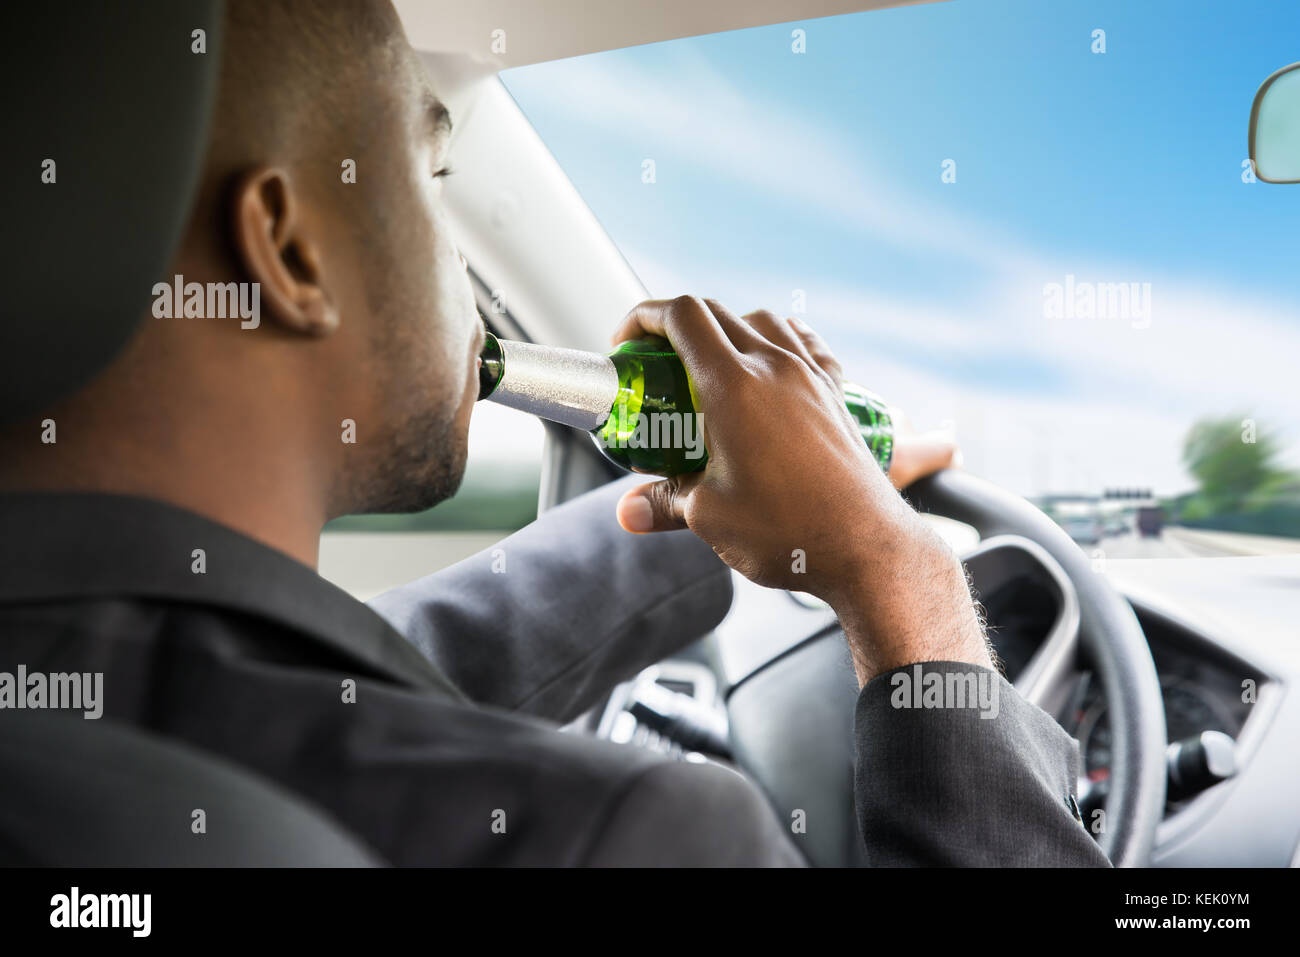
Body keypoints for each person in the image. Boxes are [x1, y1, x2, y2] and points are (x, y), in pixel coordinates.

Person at [0, 0, 1107, 866]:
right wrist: (896, 576)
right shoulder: (615, 836)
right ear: (288, 252)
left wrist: (753, 503)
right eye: (433, 179)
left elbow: (361, 675)